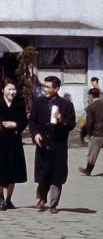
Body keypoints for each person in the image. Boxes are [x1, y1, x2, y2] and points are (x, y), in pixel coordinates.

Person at [29, 75, 76, 213]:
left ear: (56, 89)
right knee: (43, 173)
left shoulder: (67, 105)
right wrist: (35, 134)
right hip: (43, 144)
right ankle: (41, 198)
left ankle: (53, 204)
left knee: (57, 175)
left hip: (58, 145)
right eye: (44, 86)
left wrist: (62, 120)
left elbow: (71, 124)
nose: (45, 89)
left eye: (48, 87)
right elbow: (32, 121)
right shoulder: (38, 102)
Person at [0, 78, 28, 210]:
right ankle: (1, 197)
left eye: (14, 89)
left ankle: (9, 199)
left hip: (14, 141)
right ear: (3, 90)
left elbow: (24, 121)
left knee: (12, 171)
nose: (12, 92)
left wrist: (15, 125)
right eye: (9, 89)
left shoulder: (19, 104)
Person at [79, 87, 103, 176]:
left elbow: (89, 123)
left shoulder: (91, 107)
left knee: (92, 154)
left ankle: (88, 170)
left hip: (96, 134)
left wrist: (88, 134)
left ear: (91, 96)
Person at [80, 77, 101, 144]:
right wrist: (86, 108)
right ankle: (83, 135)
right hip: (89, 108)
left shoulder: (98, 89)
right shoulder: (87, 89)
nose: (96, 83)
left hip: (97, 108)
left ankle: (92, 135)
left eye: (97, 82)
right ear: (92, 82)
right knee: (88, 123)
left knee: (95, 123)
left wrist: (99, 89)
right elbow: (85, 99)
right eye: (95, 82)